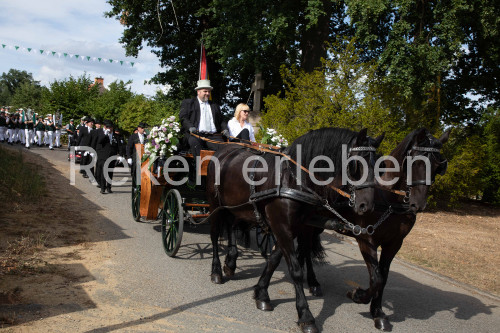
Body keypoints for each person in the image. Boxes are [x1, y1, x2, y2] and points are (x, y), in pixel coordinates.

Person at [179, 79, 228, 157]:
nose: (207, 93)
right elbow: (183, 117)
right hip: (196, 135)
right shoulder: (188, 103)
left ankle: (219, 168)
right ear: (198, 91)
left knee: (224, 150)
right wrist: (190, 127)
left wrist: (225, 129)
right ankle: (200, 168)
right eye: (205, 91)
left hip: (213, 136)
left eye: (209, 91)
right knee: (195, 144)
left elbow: (221, 120)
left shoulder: (214, 105)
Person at [96, 120, 121, 194]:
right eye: (108, 127)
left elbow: (119, 146)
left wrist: (120, 155)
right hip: (104, 156)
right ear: (105, 127)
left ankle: (109, 187)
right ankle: (103, 188)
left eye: (110, 127)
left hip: (112, 155)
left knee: (110, 172)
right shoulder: (103, 134)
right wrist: (105, 134)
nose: (109, 129)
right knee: (104, 172)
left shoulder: (116, 136)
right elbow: (99, 141)